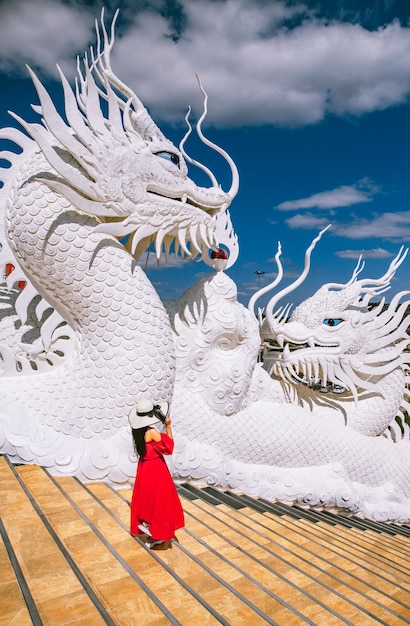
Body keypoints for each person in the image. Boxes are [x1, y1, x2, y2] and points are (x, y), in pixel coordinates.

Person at [129, 399, 185, 550]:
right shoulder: (152, 431)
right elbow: (169, 447)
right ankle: (158, 534)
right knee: (160, 501)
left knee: (147, 499)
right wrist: (168, 426)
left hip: (144, 468)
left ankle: (147, 525)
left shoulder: (137, 431)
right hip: (156, 469)